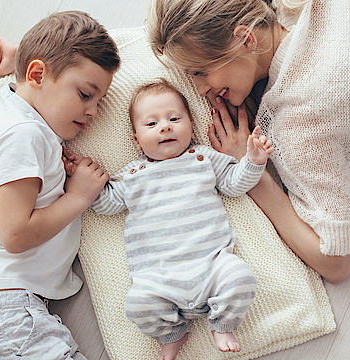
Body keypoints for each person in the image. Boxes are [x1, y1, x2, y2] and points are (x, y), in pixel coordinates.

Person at [145, 0, 350, 284]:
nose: (199, 90)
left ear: (246, 38)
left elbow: (336, 263)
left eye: (200, 72)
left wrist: (250, 172)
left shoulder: (301, 117)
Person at [0, 11, 120, 359]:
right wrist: (78, 196)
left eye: (99, 102)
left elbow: (33, 80)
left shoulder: (20, 111)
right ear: (36, 75)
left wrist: (15, 60)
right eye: (84, 95)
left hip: (12, 314)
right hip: (11, 316)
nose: (93, 111)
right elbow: (15, 235)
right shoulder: (22, 134)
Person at [90, 80, 274, 360]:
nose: (164, 127)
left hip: (212, 265)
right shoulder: (132, 175)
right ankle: (173, 334)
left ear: (190, 125)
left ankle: (223, 324)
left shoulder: (203, 158)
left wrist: (253, 161)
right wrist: (82, 184)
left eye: (174, 119)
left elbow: (235, 184)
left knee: (241, 276)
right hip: (158, 279)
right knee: (137, 304)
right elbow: (104, 204)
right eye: (151, 124)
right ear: (137, 140)